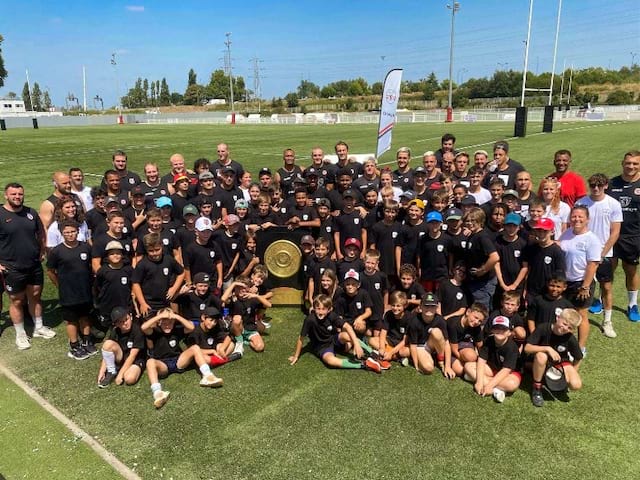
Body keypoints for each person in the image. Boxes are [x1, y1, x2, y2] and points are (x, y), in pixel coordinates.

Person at [0, 183, 54, 350]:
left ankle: (38, 327)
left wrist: (42, 249)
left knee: (35, 296)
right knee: (16, 300)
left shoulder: (31, 213)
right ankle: (21, 334)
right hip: (11, 267)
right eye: (14, 194)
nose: (17, 197)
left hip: (33, 264)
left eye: (20, 194)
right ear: (6, 196)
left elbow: (41, 232)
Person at [142, 308, 223, 409]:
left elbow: (191, 327)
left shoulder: (176, 329)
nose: (167, 325)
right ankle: (158, 393)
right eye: (164, 322)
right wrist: (159, 316)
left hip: (178, 361)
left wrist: (175, 316)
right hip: (163, 364)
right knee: (150, 362)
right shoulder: (155, 332)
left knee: (195, 348)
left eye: (170, 322)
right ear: (159, 322)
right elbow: (143, 327)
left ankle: (207, 376)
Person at [576, 173, 623, 338]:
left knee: (606, 287)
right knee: (581, 286)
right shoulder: (581, 203)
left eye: (599, 185)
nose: (596, 189)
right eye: (593, 185)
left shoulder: (614, 204)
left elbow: (615, 232)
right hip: (582, 254)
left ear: (605, 186)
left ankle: (607, 322)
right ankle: (577, 320)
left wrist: (601, 254)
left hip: (604, 255)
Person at [288, 294, 382, 373]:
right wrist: (296, 356)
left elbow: (347, 327)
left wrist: (356, 344)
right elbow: (301, 338)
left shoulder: (332, 315)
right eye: (318, 308)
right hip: (321, 346)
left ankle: (372, 353)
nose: (320, 312)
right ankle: (363, 364)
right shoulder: (309, 319)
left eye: (323, 309)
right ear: (314, 308)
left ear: (329, 310)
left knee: (345, 335)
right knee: (330, 361)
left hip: (333, 339)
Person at [46, 219, 95, 359]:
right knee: (71, 320)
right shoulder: (57, 251)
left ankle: (86, 341)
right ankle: (74, 345)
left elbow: (92, 267)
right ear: (62, 234)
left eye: (73, 231)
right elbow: (50, 271)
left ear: (78, 232)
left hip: (85, 290)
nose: (70, 235)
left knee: (85, 316)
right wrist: (59, 284)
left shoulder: (86, 247)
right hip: (68, 293)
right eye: (66, 233)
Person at [558, 205, 602, 352]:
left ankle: (580, 347)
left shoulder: (592, 239)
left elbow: (593, 264)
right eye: (574, 216)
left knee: (581, 315)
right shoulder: (567, 233)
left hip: (581, 283)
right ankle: (564, 342)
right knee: (565, 313)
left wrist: (585, 286)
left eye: (580, 217)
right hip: (565, 281)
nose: (576, 219)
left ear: (587, 219)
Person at [524, 308, 583, 407]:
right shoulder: (543, 328)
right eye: (564, 324)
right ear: (558, 317)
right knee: (541, 356)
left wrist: (572, 371)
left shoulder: (569, 337)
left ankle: (546, 376)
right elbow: (527, 348)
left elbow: (578, 357)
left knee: (576, 385)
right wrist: (547, 349)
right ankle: (537, 388)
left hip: (560, 363)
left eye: (569, 327)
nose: (565, 328)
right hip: (542, 360)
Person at [607, 150, 640, 322]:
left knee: (631, 270)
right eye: (628, 163)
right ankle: (600, 298)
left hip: (633, 236)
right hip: (611, 235)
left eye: (635, 163)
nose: (631, 166)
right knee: (607, 269)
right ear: (622, 163)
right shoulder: (612, 183)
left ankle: (632, 304)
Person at [464, 315, 521, 403]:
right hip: (492, 369)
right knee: (468, 366)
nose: (500, 331)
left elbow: (506, 370)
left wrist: (489, 385)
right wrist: (479, 382)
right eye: (497, 327)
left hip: (509, 373)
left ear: (509, 332)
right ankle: (497, 389)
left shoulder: (512, 347)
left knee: (512, 384)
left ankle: (478, 380)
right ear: (492, 330)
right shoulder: (489, 340)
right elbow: (481, 361)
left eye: (503, 328)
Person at [131, 232, 185, 317]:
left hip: (165, 302)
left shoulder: (168, 259)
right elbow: (135, 283)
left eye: (157, 250)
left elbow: (181, 273)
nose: (154, 253)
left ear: (162, 246)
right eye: (151, 251)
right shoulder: (142, 264)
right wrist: (142, 303)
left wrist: (174, 288)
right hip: (148, 303)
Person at [407, 292, 455, 377]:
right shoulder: (414, 320)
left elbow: (446, 343)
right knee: (428, 368)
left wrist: (448, 366)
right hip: (420, 346)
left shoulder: (440, 320)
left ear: (437, 307)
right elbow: (413, 345)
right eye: (426, 305)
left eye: (432, 306)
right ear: (421, 306)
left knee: (436, 331)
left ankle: (440, 360)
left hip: (432, 344)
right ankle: (424, 358)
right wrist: (416, 365)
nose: (429, 309)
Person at [222, 276, 272, 355]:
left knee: (260, 347)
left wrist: (257, 296)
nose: (242, 290)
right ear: (235, 288)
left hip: (250, 328)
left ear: (248, 288)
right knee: (237, 318)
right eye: (239, 287)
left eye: (245, 288)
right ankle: (239, 341)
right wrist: (234, 284)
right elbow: (223, 299)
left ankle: (245, 340)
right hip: (237, 328)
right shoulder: (233, 299)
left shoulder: (251, 298)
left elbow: (269, 305)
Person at [97, 307, 145, 388]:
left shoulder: (137, 330)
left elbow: (132, 356)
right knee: (107, 344)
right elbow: (107, 352)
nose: (125, 323)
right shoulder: (115, 331)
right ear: (116, 324)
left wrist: (121, 374)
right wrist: (101, 372)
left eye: (126, 319)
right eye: (121, 322)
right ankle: (111, 371)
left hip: (136, 359)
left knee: (129, 379)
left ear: (130, 316)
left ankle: (119, 371)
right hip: (121, 357)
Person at [461, 207, 499, 310]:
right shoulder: (473, 235)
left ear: (480, 221)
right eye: (467, 221)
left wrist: (482, 270)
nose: (469, 223)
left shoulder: (482, 237)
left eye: (473, 221)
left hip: (483, 283)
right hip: (474, 281)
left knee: (481, 311)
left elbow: (494, 257)